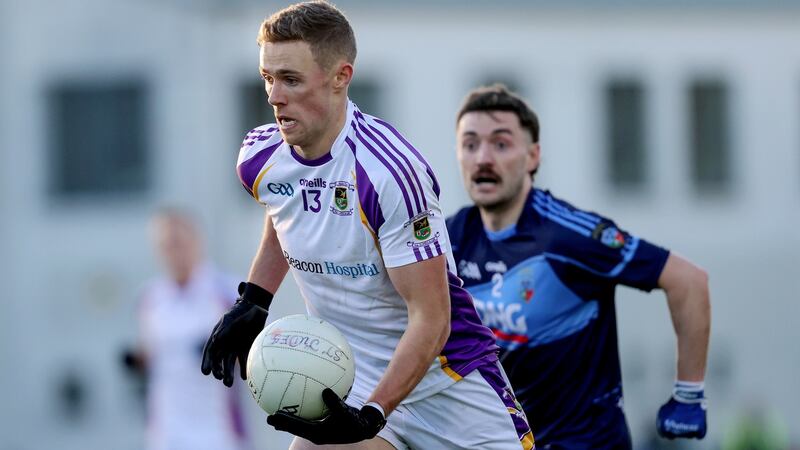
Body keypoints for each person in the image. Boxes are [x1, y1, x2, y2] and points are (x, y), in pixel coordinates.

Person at [200, 2, 534, 450]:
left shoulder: (387, 174)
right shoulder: (260, 159)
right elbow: (285, 211)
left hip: (448, 387)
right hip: (353, 380)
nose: (274, 96)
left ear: (341, 76)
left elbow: (433, 320)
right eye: (268, 78)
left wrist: (373, 413)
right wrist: (255, 299)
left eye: (291, 79)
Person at [446, 84, 711, 449]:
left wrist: (689, 394)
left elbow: (688, 280)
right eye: (470, 144)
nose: (483, 158)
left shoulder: (569, 235)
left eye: (501, 144)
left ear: (533, 156)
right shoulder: (449, 239)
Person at [124, 208, 250, 450]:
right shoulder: (150, 297)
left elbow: (259, 355)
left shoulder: (230, 292)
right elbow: (150, 352)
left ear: (197, 241)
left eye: (178, 243)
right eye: (165, 246)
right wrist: (138, 360)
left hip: (219, 432)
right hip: (167, 433)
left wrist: (220, 351)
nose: (173, 253)